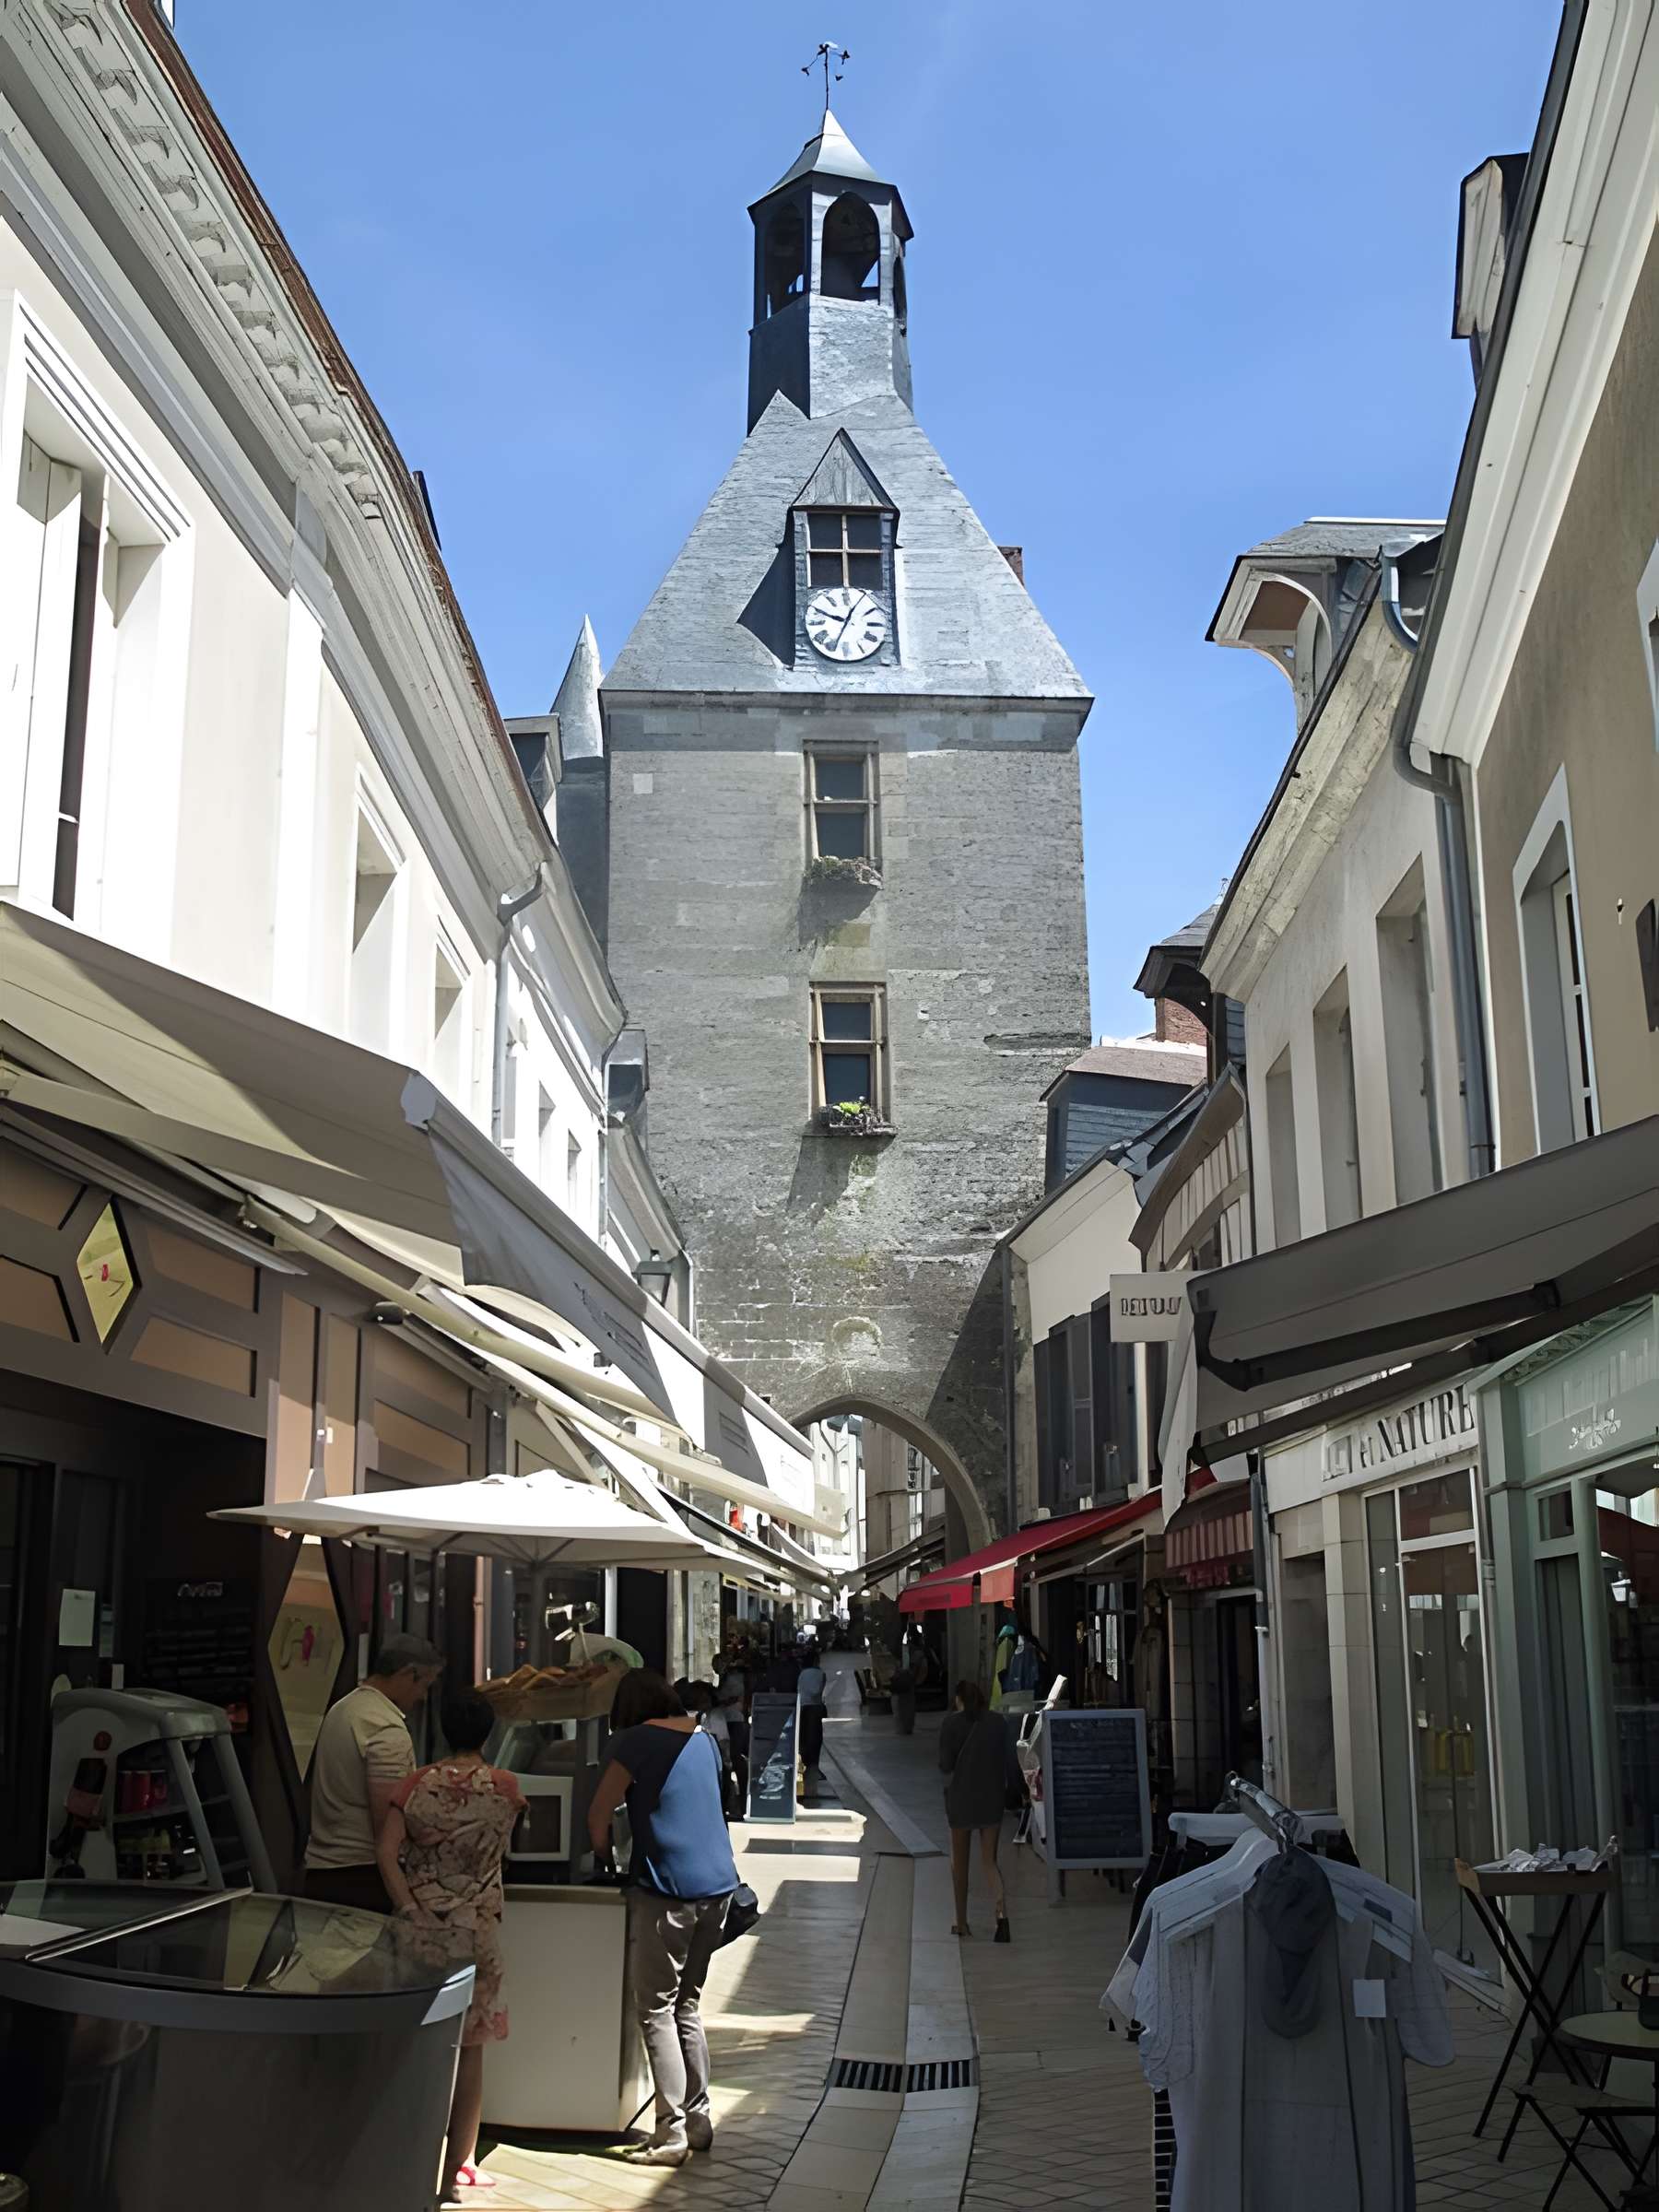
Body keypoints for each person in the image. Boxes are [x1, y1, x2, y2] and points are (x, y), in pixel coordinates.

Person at [588, 1669, 738, 2167]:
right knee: (687, 2007)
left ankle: (670, 2134)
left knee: (655, 2008)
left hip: (668, 1890)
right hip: (718, 1887)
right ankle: (698, 2119)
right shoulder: (703, 1737)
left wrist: (604, 1863)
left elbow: (599, 1813)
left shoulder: (634, 1741)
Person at [377, 1690, 523, 2201]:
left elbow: (387, 1852)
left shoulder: (415, 1784)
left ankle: (404, 2156)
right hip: (477, 1928)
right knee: (472, 2050)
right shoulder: (505, 1787)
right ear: (487, 1734)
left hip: (420, 1928)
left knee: (414, 2045)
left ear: (442, 1731)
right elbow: (505, 1848)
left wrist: (410, 1907)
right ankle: (458, 2169)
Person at [304, 1632, 443, 1912]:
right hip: (363, 1877)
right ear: (408, 1673)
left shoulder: (343, 1710)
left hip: (320, 1871)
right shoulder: (385, 1728)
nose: (423, 1697)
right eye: (424, 1685)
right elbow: (387, 1826)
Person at [938, 1680, 1023, 1943]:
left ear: (959, 1700)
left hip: (961, 1800)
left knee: (959, 1865)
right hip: (991, 1799)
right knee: (989, 1862)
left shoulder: (951, 1724)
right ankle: (1002, 1916)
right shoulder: (999, 1723)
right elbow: (1011, 1761)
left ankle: (961, 1922)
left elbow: (944, 1765)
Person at [796, 1643, 828, 1771]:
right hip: (815, 1707)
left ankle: (804, 1761)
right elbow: (819, 1691)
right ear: (816, 1660)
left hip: (802, 1707)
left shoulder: (802, 1673)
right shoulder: (820, 1674)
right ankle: (814, 1764)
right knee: (816, 1737)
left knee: (803, 1736)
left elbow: (799, 1689)